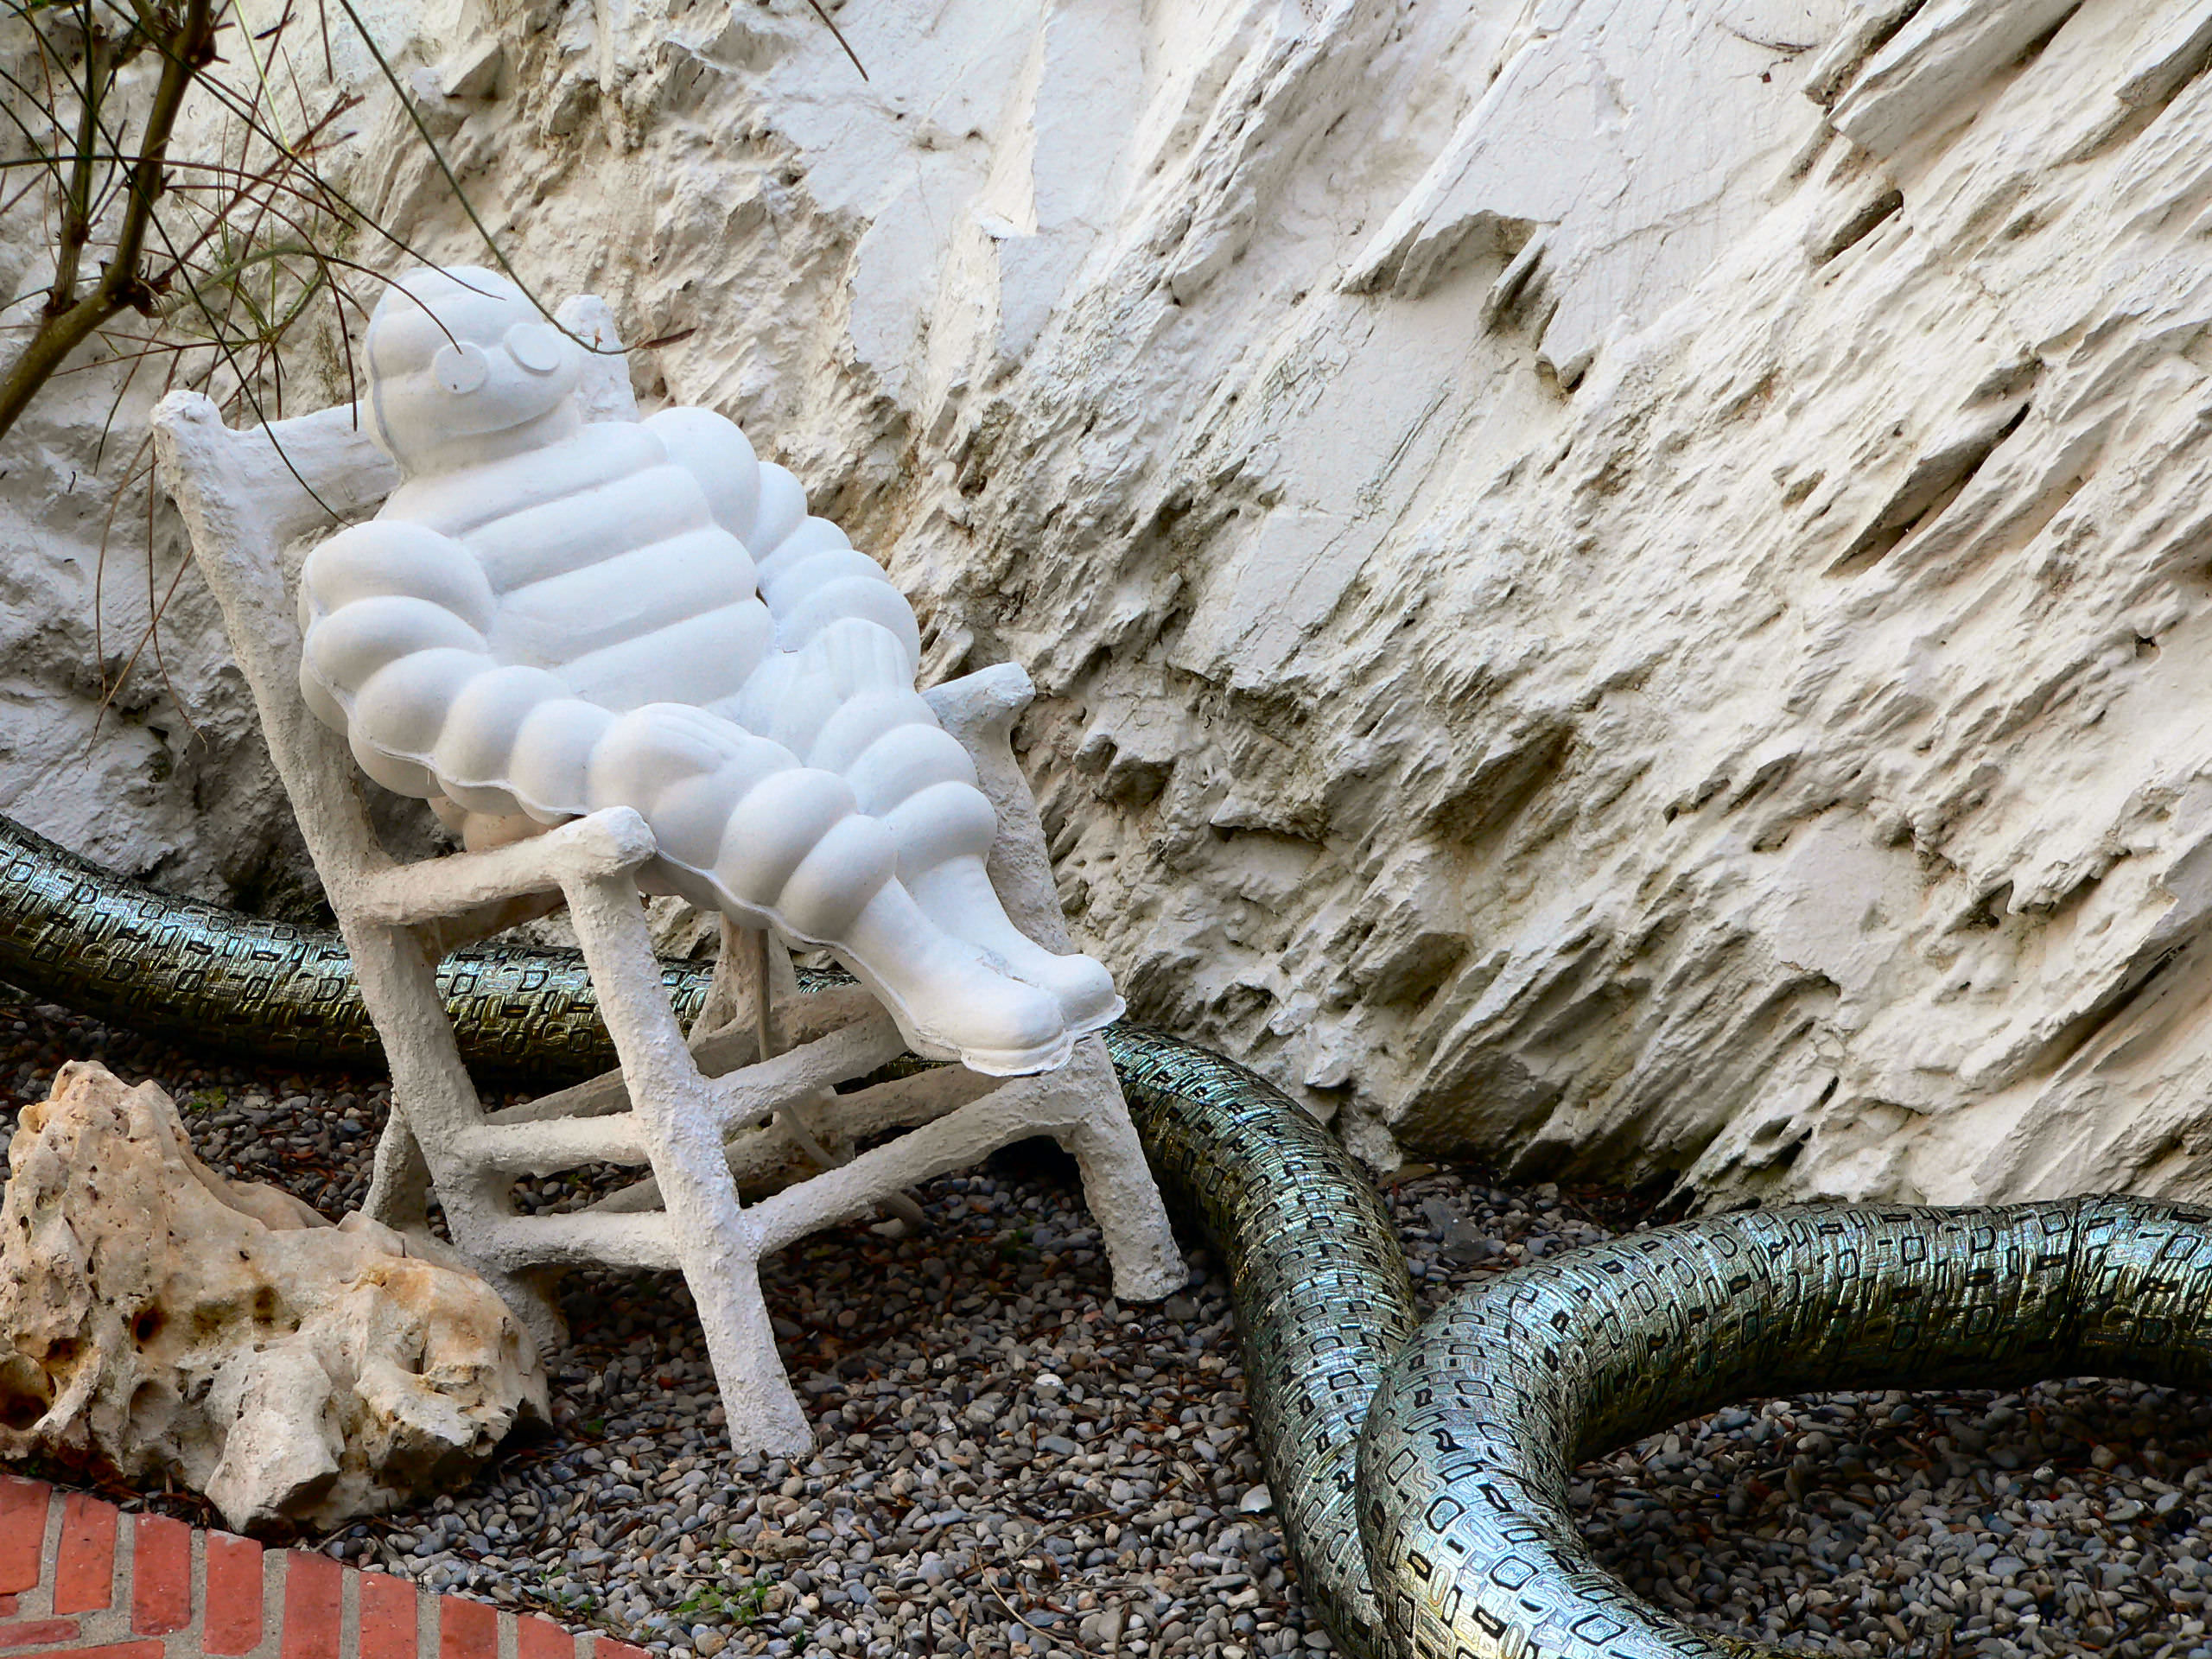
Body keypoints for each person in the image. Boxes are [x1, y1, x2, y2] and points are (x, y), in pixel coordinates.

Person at [297, 265, 1116, 1076]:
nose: (505, 373)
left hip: (755, 693)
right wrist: (599, 747)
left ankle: (991, 939)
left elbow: (795, 546)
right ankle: (928, 974)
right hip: (574, 778)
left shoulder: (665, 453)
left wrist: (845, 624)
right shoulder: (400, 552)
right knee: (723, 784)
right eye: (460, 368)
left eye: (524, 343)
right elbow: (433, 700)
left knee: (877, 727)